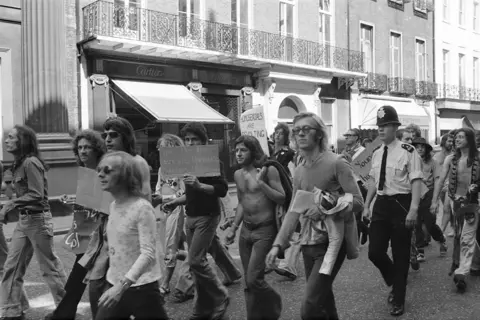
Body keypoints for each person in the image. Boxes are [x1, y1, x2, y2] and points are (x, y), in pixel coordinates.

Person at [266, 112, 363, 320]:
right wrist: (278, 245)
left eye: (306, 129)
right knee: (324, 300)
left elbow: (357, 201)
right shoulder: (300, 170)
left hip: (332, 245)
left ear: (319, 134)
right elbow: (294, 209)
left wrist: (323, 208)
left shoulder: (337, 163)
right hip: (309, 243)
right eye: (296, 130)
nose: (300, 134)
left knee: (309, 307)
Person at [78, 116, 152, 319]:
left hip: (130, 235)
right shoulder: (107, 162)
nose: (108, 139)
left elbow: (145, 201)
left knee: (137, 292)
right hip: (105, 231)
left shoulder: (137, 163)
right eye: (106, 135)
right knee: (95, 286)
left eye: (114, 135)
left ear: (126, 137)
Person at [163, 123, 230, 320]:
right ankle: (201, 309)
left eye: (195, 139)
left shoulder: (212, 161)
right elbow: (190, 194)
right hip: (190, 215)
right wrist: (175, 201)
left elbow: (222, 190)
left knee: (195, 260)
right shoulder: (187, 163)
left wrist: (200, 185)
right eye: (188, 139)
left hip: (207, 216)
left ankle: (220, 295)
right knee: (195, 264)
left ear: (203, 141)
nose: (191, 143)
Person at [0, 125, 68, 320]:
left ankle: (65, 309)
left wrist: (11, 204)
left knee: (49, 268)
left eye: (11, 137)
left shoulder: (31, 163)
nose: (6, 141)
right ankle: (12, 310)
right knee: (12, 266)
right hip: (24, 220)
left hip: (38, 220)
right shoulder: (19, 164)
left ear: (22, 140)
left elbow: (37, 194)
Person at [363, 106, 423, 316]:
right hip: (381, 203)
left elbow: (416, 180)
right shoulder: (377, 152)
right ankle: (393, 279)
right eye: (379, 126)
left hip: (401, 204)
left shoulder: (409, 151)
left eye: (385, 125)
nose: (380, 130)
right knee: (375, 252)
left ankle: (398, 297)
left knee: (401, 255)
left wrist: (413, 209)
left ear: (395, 127)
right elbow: (372, 180)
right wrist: (367, 204)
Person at [94, 151, 168, 319]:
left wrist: (122, 286)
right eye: (99, 170)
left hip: (142, 288)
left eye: (107, 170)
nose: (100, 174)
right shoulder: (113, 205)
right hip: (115, 283)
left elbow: (148, 253)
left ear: (125, 175)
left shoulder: (142, 208)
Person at [46, 130, 106, 320]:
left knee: (82, 275)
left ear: (96, 149)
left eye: (87, 147)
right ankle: (65, 312)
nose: (83, 151)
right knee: (79, 275)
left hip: (100, 233)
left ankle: (64, 313)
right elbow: (90, 201)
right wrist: (73, 200)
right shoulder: (86, 172)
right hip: (87, 231)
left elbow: (106, 201)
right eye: (80, 147)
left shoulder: (103, 170)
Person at [225, 135, 284, 320]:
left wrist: (261, 183)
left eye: (243, 150)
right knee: (248, 282)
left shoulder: (268, 170)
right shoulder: (237, 174)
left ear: (253, 151)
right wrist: (234, 227)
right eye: (237, 150)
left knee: (253, 279)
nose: (239, 154)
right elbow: (242, 202)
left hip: (264, 231)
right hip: (246, 231)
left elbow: (281, 197)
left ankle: (274, 303)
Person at [430, 127, 480, 292]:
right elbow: (440, 180)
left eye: (460, 137)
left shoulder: (478, 158)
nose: (457, 140)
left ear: (469, 139)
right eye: (456, 137)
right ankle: (476, 261)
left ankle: (461, 273)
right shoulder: (450, 159)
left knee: (467, 237)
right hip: (455, 203)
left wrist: (477, 187)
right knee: (460, 235)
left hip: (472, 204)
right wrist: (434, 200)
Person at [154, 134, 187, 295]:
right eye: (159, 149)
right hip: (165, 211)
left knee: (169, 248)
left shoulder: (182, 169)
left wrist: (164, 198)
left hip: (179, 211)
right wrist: (157, 199)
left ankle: (165, 284)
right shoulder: (162, 169)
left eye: (163, 149)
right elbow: (158, 188)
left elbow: (183, 194)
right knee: (171, 248)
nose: (160, 152)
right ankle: (195, 257)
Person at [411, 137, 448, 263]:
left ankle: (441, 239)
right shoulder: (409, 161)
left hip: (429, 193)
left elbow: (438, 180)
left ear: (427, 149)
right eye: (417, 146)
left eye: (422, 146)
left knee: (429, 223)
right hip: (414, 194)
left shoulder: (433, 162)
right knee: (416, 223)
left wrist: (434, 200)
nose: (420, 148)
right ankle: (420, 250)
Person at [270, 123, 299, 280]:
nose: (277, 136)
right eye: (275, 133)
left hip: (288, 193)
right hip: (276, 194)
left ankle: (289, 265)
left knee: (294, 229)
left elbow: (290, 174)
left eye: (280, 133)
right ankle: (280, 260)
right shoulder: (272, 152)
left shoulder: (288, 153)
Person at [433, 133, 455, 236]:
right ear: (443, 142)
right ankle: (454, 227)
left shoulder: (454, 155)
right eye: (449, 141)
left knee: (446, 208)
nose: (451, 143)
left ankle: (441, 232)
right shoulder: (436, 155)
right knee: (449, 209)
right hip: (440, 185)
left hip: (450, 185)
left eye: (452, 141)